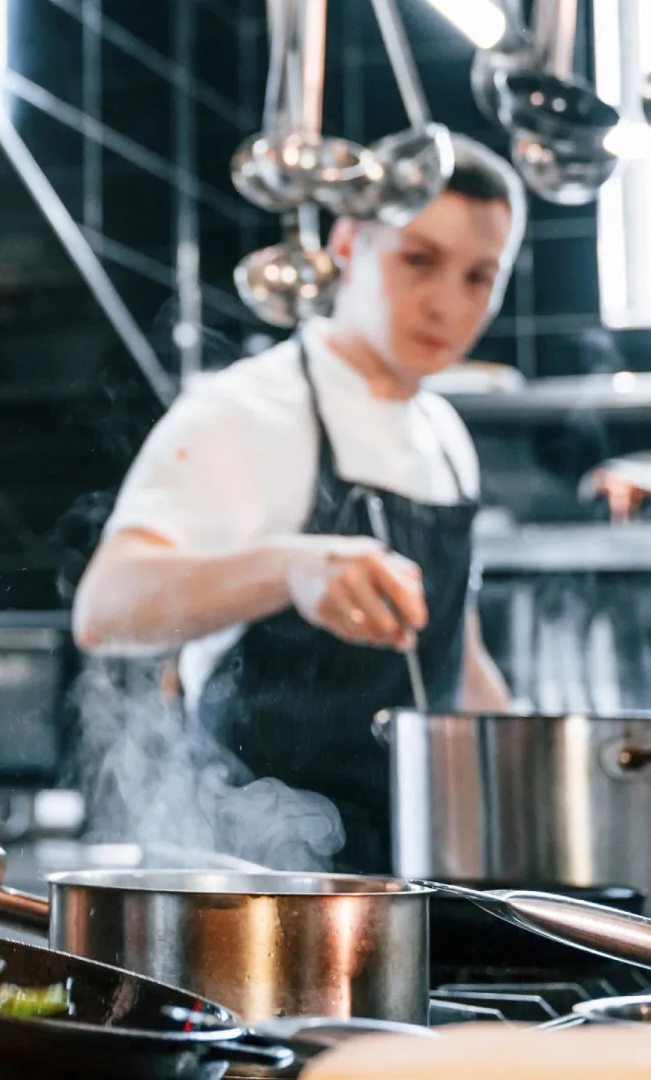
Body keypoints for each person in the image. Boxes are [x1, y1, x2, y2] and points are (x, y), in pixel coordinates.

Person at [71, 137, 521, 875]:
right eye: (418, 260)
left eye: (480, 277)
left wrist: (536, 776)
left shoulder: (446, 437)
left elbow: (456, 661)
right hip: (256, 873)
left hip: (414, 871)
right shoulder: (247, 409)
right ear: (346, 244)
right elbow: (105, 607)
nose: (450, 302)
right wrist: (290, 568)